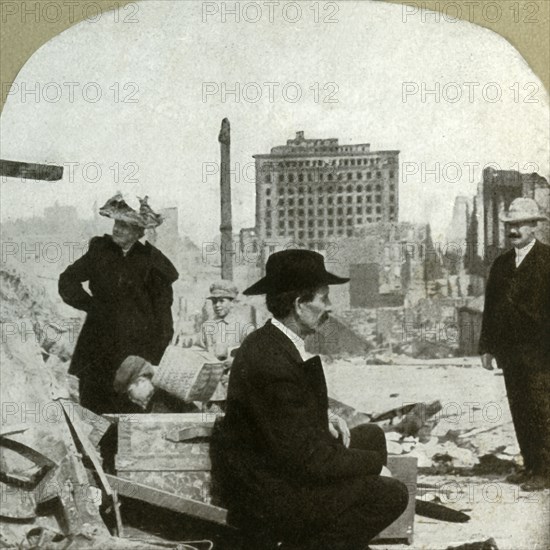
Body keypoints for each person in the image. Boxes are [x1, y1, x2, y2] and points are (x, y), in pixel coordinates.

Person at [211, 250, 408, 549]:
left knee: (370, 435)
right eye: (323, 298)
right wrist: (375, 466)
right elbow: (309, 460)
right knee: (391, 493)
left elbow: (287, 417)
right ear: (299, 305)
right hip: (268, 496)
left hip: (275, 473)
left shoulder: (272, 342)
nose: (329, 307)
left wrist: (323, 417)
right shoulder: (271, 360)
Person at [58, 193, 179, 414]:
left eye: (124, 225)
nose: (117, 229)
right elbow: (67, 280)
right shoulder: (100, 251)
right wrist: (91, 305)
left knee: (129, 414)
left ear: (138, 231)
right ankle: (95, 450)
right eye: (116, 223)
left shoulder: (153, 262)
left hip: (135, 354)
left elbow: (164, 319)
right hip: (97, 348)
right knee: (93, 409)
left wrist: (151, 360)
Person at [479, 197, 550, 491]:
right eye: (510, 225)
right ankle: (530, 465)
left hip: (540, 354)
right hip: (510, 354)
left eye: (520, 224)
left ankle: (545, 471)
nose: (514, 230)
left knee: (541, 410)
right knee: (519, 409)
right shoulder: (501, 264)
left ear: (534, 227)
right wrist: (486, 347)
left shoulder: (547, 261)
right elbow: (491, 309)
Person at [113, 355, 198, 413]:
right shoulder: (158, 392)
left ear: (141, 381)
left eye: (130, 392)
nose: (131, 399)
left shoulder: (176, 379)